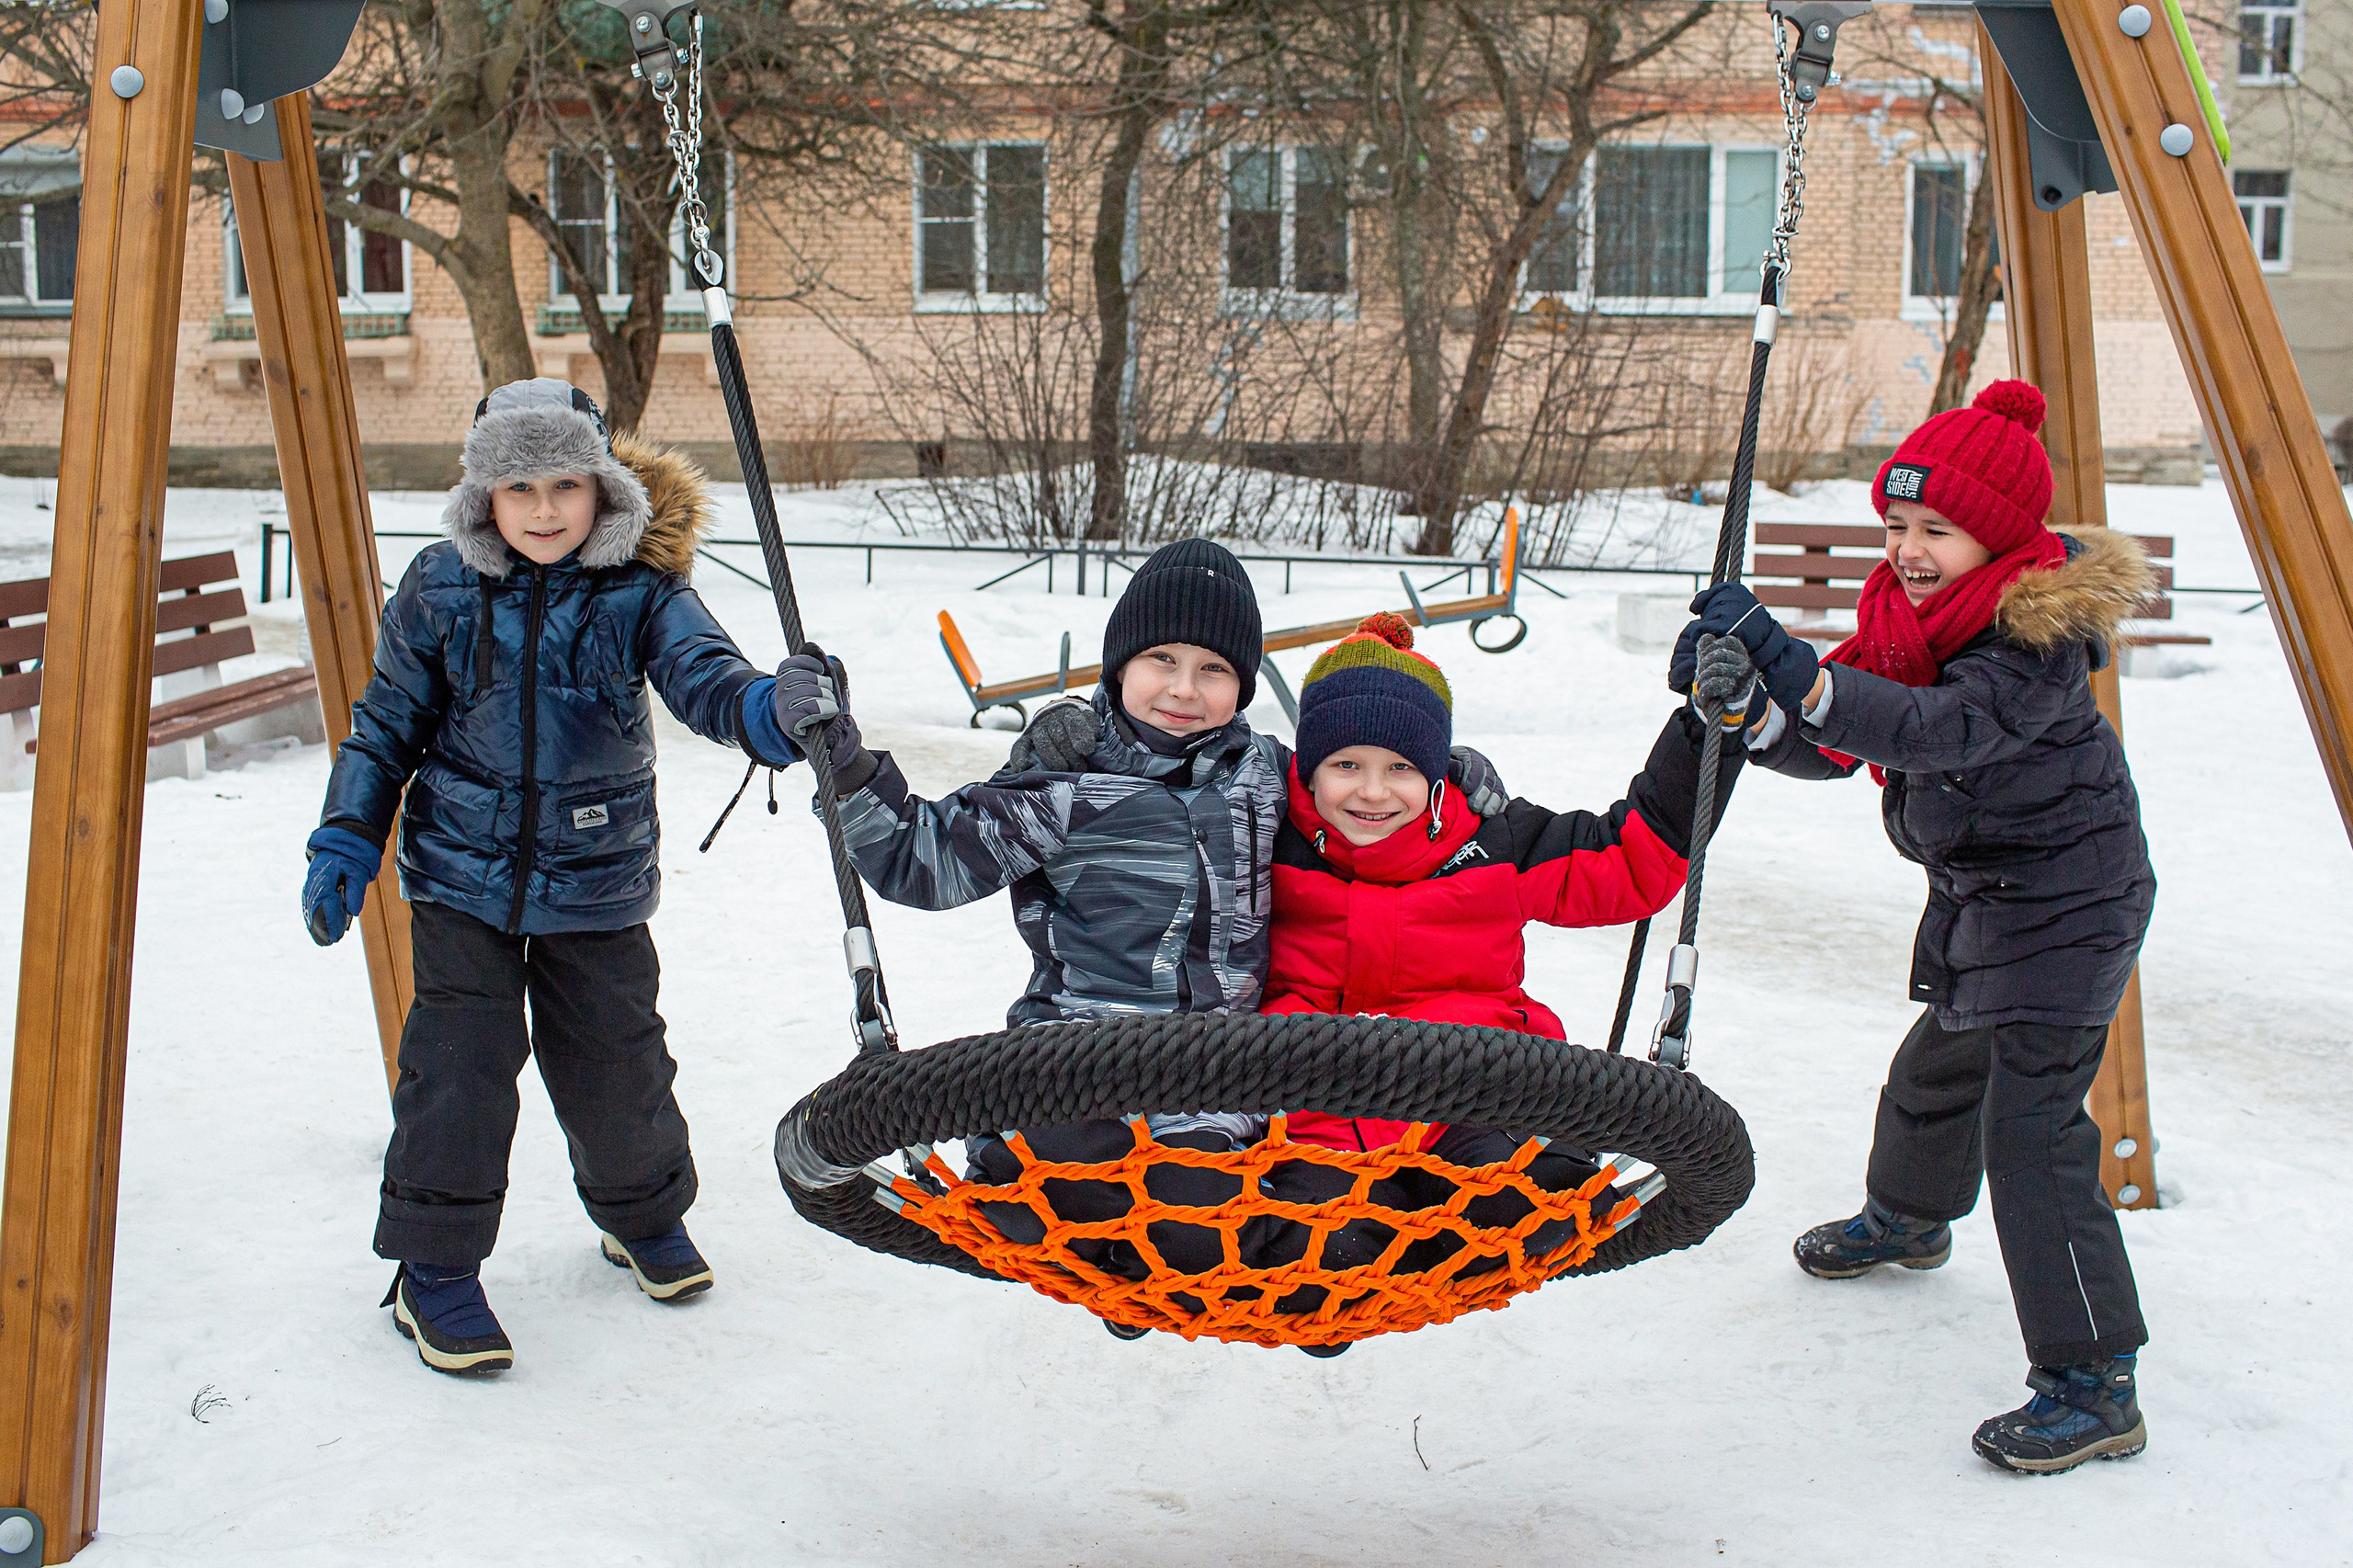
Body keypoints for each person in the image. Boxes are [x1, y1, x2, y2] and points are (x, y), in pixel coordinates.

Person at [776, 540, 1508, 1336]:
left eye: (1215, 670)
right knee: (1051, 1181)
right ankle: (1088, 1248)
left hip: (1219, 1075)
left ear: (1245, 684)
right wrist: (844, 765)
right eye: (1162, 659)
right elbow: (924, 863)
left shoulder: (1268, 776)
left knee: (1211, 1216)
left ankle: (1301, 1294)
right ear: (1119, 666)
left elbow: (1359, 791)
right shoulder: (1064, 785)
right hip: (1076, 1054)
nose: (1184, 690)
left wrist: (1442, 771)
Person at [1677, 379, 2157, 1474]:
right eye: (1896, 526)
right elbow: (1842, 737)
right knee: (1937, 1070)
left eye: (1935, 528)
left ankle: (2093, 1379)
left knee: (2032, 1132)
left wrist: (1797, 672)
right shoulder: (1909, 626)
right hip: (1986, 898)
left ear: (1996, 538)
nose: (1907, 549)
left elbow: (1932, 729)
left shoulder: (2034, 634)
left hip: (2072, 906)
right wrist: (1751, 713)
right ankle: (1910, 1215)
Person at [302, 380, 809, 1376]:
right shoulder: (438, 588)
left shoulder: (640, 588)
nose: (543, 510)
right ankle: (433, 1266)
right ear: (481, 496)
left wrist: (767, 710)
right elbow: (385, 725)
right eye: (517, 485)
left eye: (566, 483)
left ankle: (642, 1215)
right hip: (459, 878)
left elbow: (706, 673)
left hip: (597, 876)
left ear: (602, 486)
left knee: (618, 1060)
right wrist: (346, 835)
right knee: (460, 1067)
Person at [1251, 612, 1747, 1296]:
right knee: (1313, 1262)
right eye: (1345, 766)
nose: (1371, 792)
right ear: (1308, 770)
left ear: (1436, 773)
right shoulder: (1262, 839)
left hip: (1478, 1091)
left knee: (1531, 1210)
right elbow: (1150, 808)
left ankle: (1463, 1238)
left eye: (1399, 768)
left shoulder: (1493, 844)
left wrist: (1704, 731)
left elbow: (1631, 862)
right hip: (1318, 1112)